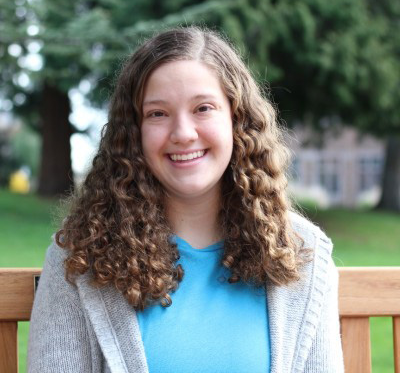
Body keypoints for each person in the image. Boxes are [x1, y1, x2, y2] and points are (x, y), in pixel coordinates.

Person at [27, 26, 344, 373]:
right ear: (133, 134)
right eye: (157, 114)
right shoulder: (80, 258)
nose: (182, 133)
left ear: (237, 120)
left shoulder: (303, 255)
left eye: (203, 108)